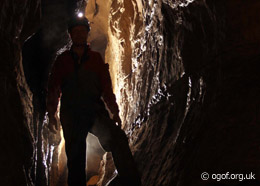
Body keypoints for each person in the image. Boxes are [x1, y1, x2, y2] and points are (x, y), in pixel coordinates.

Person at [46, 16, 141, 186]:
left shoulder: (96, 59)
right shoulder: (63, 61)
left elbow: (106, 88)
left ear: (87, 34)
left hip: (93, 112)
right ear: (70, 35)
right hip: (71, 115)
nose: (80, 34)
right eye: (76, 32)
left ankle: (129, 180)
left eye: (82, 31)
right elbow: (54, 88)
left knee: (117, 137)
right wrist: (52, 114)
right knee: (76, 161)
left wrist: (115, 111)